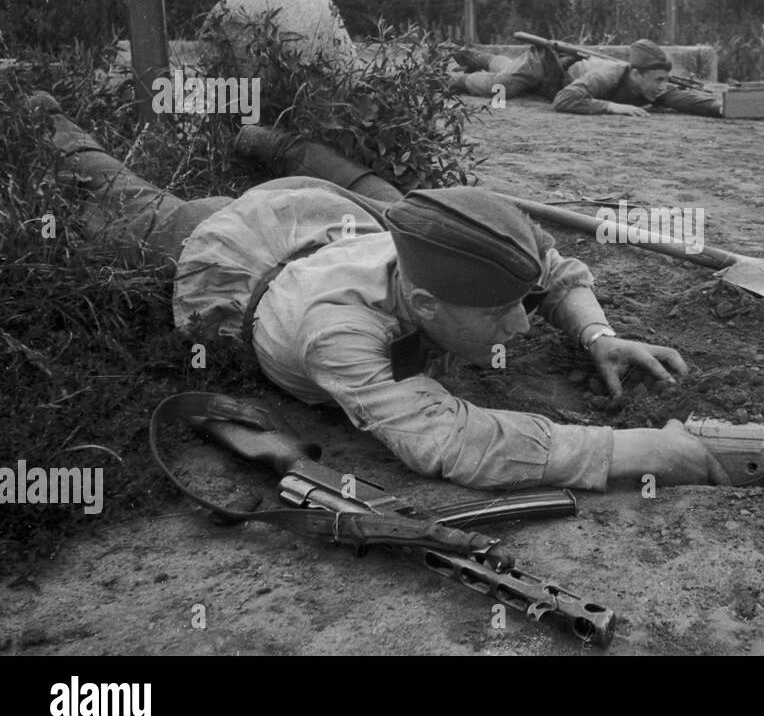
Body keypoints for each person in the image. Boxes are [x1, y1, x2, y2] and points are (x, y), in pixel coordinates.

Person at [27, 92, 724, 492]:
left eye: (517, 304)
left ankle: (259, 136)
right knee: (127, 201)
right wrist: (650, 452)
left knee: (381, 196)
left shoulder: (448, 247)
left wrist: (598, 334)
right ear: (422, 310)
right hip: (233, 255)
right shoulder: (340, 333)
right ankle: (39, 115)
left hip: (334, 221)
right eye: (497, 312)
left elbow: (555, 271)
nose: (522, 322)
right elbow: (451, 443)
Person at [449, 38, 723, 118]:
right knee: (499, 86)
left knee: (508, 70)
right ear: (636, 74)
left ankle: (479, 57)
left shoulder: (653, 86)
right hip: (546, 66)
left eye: (666, 80)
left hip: (556, 76)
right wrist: (612, 107)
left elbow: (685, 99)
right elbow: (564, 99)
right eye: (659, 80)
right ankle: (453, 78)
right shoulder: (610, 75)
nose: (664, 87)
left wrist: (718, 107)